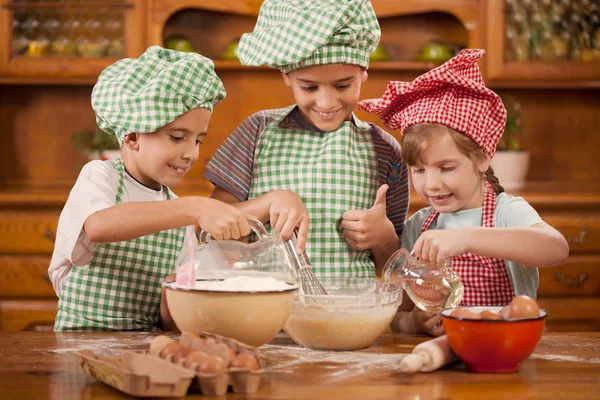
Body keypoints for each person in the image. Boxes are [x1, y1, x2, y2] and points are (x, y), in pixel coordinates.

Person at [358, 48, 569, 336]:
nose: (431, 184)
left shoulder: (505, 211)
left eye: (446, 168)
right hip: (445, 361)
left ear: (482, 158)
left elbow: (556, 248)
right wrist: (411, 323)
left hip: (505, 348)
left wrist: (466, 238)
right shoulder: (419, 226)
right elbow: (399, 311)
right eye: (419, 170)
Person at [50, 46, 252, 331]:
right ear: (132, 136)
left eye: (198, 141)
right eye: (178, 137)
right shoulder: (101, 176)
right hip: (81, 341)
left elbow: (169, 316)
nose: (191, 154)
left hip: (144, 350)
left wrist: (187, 293)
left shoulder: (177, 211)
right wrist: (194, 207)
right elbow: (98, 226)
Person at [205, 0, 410, 278]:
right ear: (287, 76)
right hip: (264, 312)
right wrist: (270, 202)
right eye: (309, 86)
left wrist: (384, 237)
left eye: (343, 85)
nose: (326, 102)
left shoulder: (385, 149)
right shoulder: (257, 131)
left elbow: (395, 271)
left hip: (350, 314)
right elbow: (210, 230)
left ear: (363, 73)